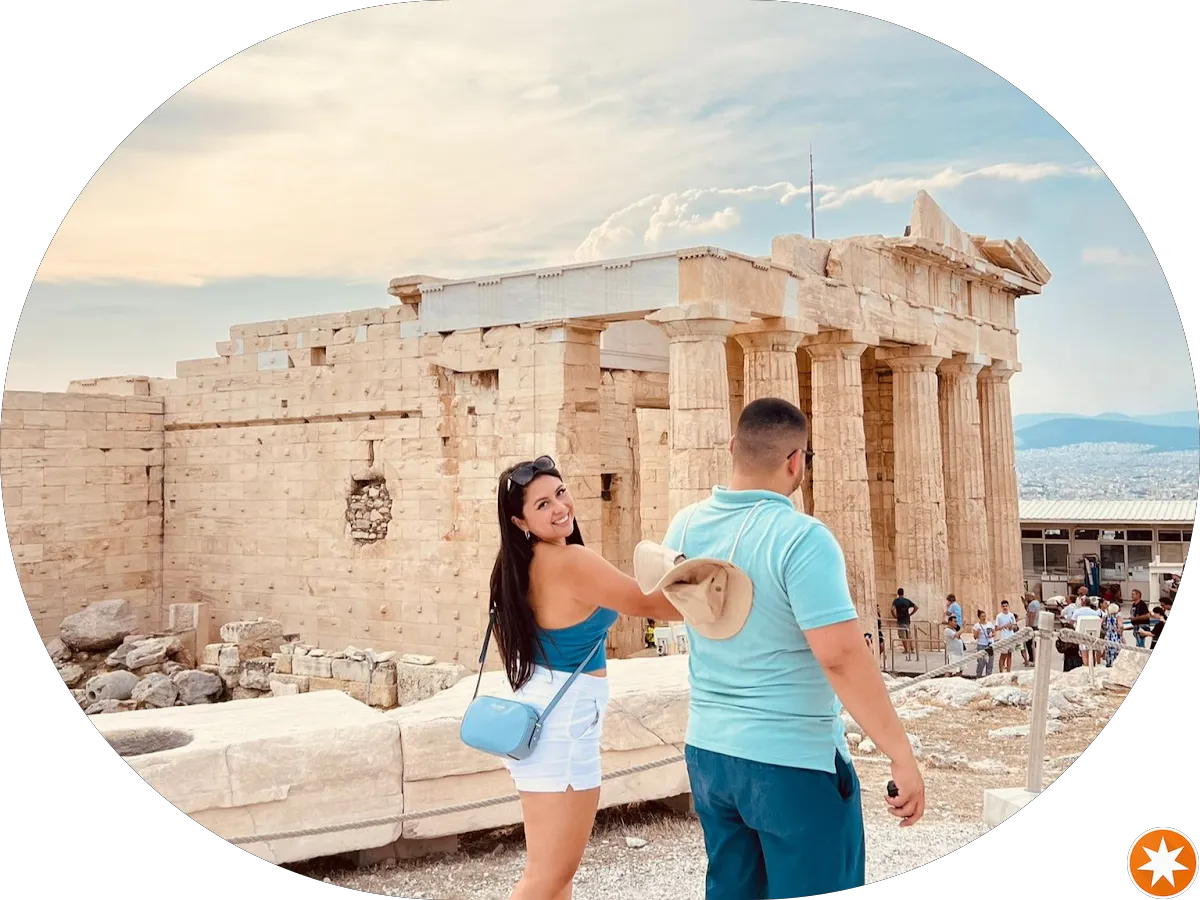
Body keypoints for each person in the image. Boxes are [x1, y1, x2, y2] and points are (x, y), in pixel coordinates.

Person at [662, 398, 924, 900]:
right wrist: (900, 754)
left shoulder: (685, 526)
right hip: (792, 760)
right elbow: (840, 657)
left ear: (733, 448)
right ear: (796, 461)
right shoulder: (801, 538)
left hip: (710, 754)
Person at [488, 455, 683, 900]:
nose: (560, 507)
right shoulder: (570, 561)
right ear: (520, 521)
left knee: (554, 875)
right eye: (542, 505)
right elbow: (654, 604)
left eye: (560, 493)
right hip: (565, 726)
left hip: (540, 715)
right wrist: (714, 582)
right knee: (548, 876)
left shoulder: (516, 566)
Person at [891, 588, 917, 659]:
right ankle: (913, 649)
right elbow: (916, 607)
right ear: (903, 593)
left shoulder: (896, 601)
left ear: (898, 593)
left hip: (900, 620)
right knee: (909, 635)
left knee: (903, 636)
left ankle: (906, 649)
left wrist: (895, 616)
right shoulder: (907, 601)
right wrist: (910, 614)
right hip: (907, 620)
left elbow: (892, 609)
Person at [994, 600, 1018, 673]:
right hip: (1004, 637)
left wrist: (1012, 627)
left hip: (1011, 636)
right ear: (1001, 607)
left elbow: (1015, 625)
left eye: (1006, 606)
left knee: (1010, 654)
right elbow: (996, 628)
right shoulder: (999, 616)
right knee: (1003, 655)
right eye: (1003, 606)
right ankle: (1001, 671)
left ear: (1008, 606)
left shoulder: (1011, 615)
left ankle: (1008, 671)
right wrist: (1005, 625)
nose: (1005, 607)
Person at [972, 610, 995, 678]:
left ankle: (988, 677)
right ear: (979, 617)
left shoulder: (990, 624)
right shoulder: (976, 625)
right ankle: (978, 676)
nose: (984, 617)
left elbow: (994, 632)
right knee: (981, 663)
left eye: (984, 616)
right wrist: (978, 632)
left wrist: (992, 635)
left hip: (990, 644)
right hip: (981, 645)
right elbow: (975, 637)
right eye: (982, 616)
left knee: (990, 662)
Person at [1022, 592, 1041, 665]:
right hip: (1036, 625)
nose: (1026, 598)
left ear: (1030, 596)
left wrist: (1029, 627)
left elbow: (1031, 616)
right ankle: (1034, 658)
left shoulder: (1032, 604)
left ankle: (1032, 659)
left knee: (1029, 643)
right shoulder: (1036, 602)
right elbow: (1028, 610)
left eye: (1026, 596)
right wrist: (1025, 604)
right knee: (1033, 643)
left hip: (1032, 626)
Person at [1102, 603, 1122, 667]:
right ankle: (1115, 665)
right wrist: (1120, 631)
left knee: (1108, 651)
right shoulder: (1118, 617)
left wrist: (1105, 629)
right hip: (1116, 636)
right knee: (1116, 651)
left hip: (1108, 636)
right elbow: (1121, 626)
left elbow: (1100, 624)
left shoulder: (1105, 617)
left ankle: (1109, 664)